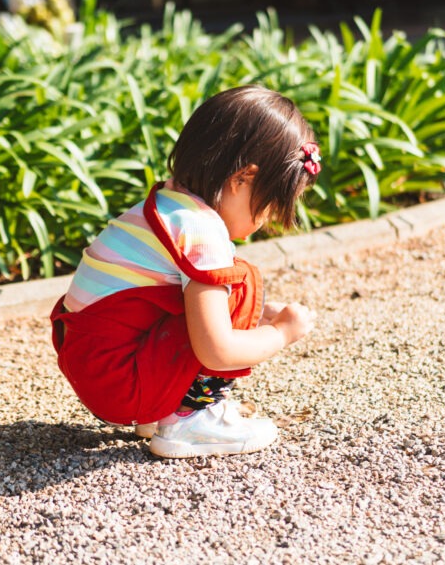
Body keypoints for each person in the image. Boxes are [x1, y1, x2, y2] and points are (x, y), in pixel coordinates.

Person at [50, 86, 321, 459]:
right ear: (242, 178)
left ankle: (162, 409)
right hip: (118, 380)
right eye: (270, 206)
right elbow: (217, 351)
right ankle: (191, 421)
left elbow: (156, 296)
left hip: (97, 366)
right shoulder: (202, 231)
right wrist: (281, 332)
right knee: (239, 284)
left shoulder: (169, 205)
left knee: (233, 295)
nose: (268, 220)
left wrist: (257, 313)